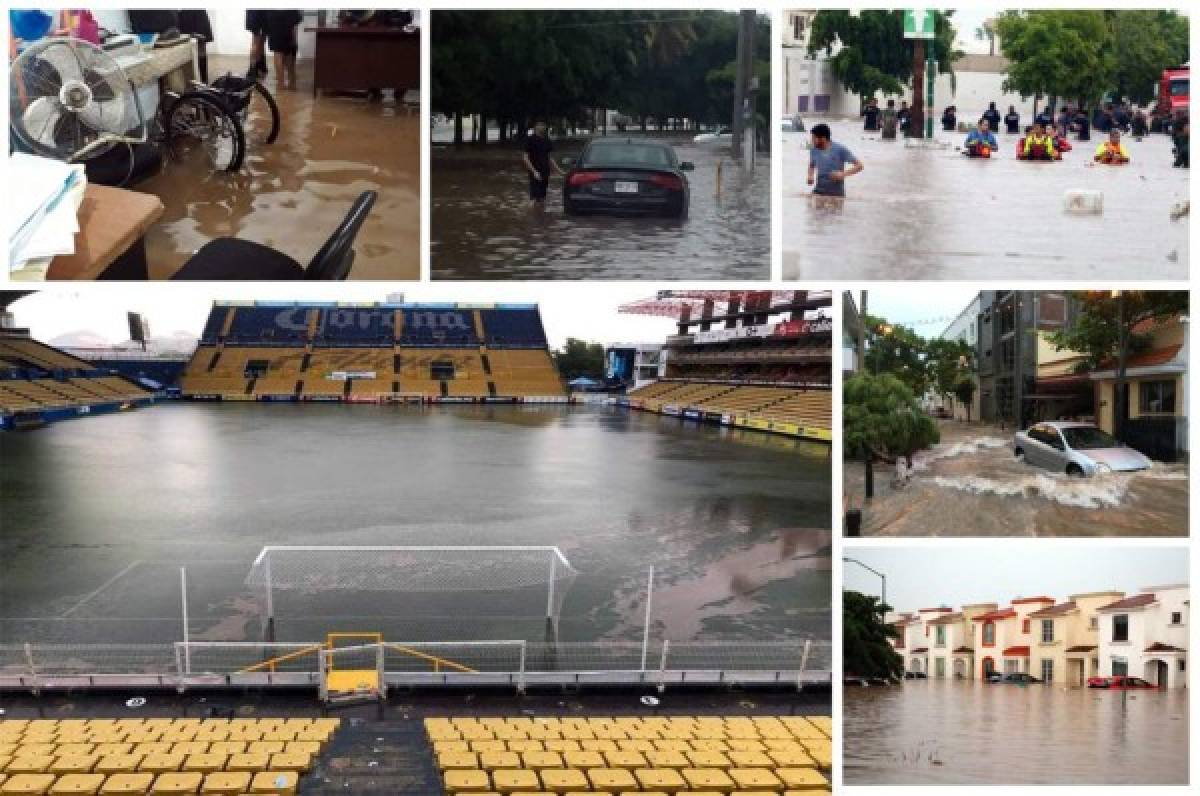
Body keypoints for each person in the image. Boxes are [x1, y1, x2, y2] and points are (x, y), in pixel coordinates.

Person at [807, 123, 864, 197]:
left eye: (814, 138)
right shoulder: (814, 150)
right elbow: (812, 165)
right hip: (818, 192)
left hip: (836, 195)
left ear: (823, 138)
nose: (812, 141)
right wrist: (810, 176)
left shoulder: (840, 149)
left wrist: (843, 174)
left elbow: (859, 166)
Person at [523, 122, 564, 207]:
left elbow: (550, 158)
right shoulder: (530, 139)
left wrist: (560, 171)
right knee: (534, 198)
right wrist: (534, 171)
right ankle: (533, 217)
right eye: (540, 125)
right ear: (535, 127)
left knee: (542, 197)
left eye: (543, 125)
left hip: (545, 171)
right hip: (535, 172)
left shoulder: (547, 140)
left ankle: (541, 216)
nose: (542, 126)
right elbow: (525, 158)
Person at [264, 10, 303, 90]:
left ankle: (281, 83)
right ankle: (291, 80)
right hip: (288, 12)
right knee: (288, 50)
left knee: (277, 51)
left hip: (273, 13)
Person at [245, 10, 268, 78]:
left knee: (262, 40)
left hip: (262, 14)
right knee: (256, 42)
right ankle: (252, 69)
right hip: (257, 15)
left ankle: (261, 65)